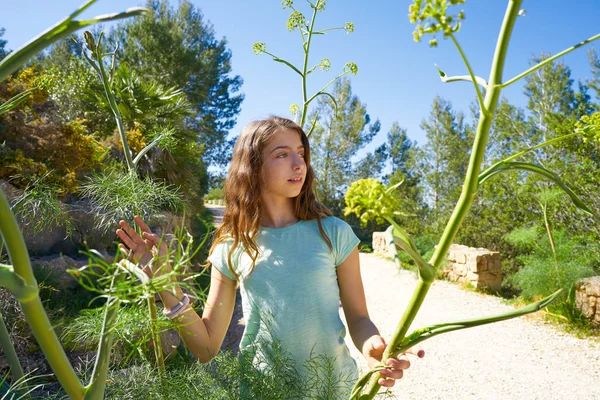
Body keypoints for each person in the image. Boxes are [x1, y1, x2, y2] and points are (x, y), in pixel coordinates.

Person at [116, 116, 423, 398]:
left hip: (335, 390)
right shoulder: (232, 246)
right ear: (252, 168)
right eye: (282, 154)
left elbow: (359, 318)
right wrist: (165, 284)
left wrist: (373, 348)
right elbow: (206, 347)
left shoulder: (334, 232)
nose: (298, 164)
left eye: (301, 153)